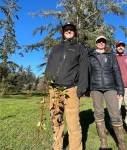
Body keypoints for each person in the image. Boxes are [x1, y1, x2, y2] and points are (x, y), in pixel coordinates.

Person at [45, 22, 89, 150]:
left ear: (74, 32)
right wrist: (47, 80)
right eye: (66, 30)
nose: (69, 31)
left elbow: (84, 69)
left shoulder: (80, 48)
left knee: (73, 123)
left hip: (71, 89)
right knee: (56, 120)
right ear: (63, 33)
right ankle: (57, 146)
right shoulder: (56, 48)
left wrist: (81, 87)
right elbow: (50, 65)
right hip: (55, 89)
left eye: (71, 30)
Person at [89, 36, 126, 150]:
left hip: (110, 87)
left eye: (103, 41)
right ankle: (103, 142)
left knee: (115, 114)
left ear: (105, 43)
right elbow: (87, 72)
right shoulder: (90, 56)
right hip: (96, 88)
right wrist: (87, 88)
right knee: (99, 114)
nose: (101, 43)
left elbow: (117, 72)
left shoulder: (111, 56)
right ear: (96, 43)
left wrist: (120, 89)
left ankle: (121, 143)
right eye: (99, 41)